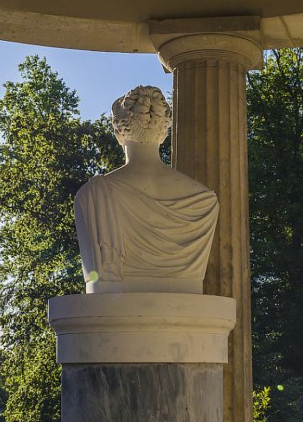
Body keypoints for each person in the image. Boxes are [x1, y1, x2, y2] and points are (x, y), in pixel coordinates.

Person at [73, 85, 218, 293]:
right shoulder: (205, 201)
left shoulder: (91, 197)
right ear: (164, 130)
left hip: (113, 315)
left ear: (118, 131)